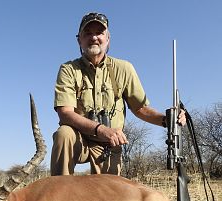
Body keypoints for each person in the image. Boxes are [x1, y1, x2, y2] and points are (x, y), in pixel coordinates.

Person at [50, 12, 186, 176]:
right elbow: (65, 114)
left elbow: (140, 109)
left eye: (99, 33)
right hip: (80, 140)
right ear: (79, 39)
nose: (94, 37)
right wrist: (100, 129)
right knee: (63, 134)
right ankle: (59, 193)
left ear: (108, 38)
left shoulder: (124, 68)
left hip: (109, 143)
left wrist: (168, 120)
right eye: (88, 33)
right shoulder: (68, 69)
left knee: (109, 196)